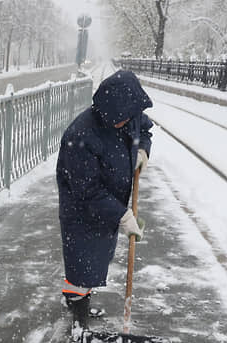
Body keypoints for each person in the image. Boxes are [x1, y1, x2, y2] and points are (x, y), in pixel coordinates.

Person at [56, 70, 153, 329]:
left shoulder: (128, 115)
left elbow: (144, 128)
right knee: (81, 264)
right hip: (82, 210)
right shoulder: (81, 135)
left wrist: (143, 150)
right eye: (119, 121)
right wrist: (122, 215)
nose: (124, 124)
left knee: (97, 259)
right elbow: (87, 191)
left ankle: (81, 303)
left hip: (108, 204)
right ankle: (79, 319)